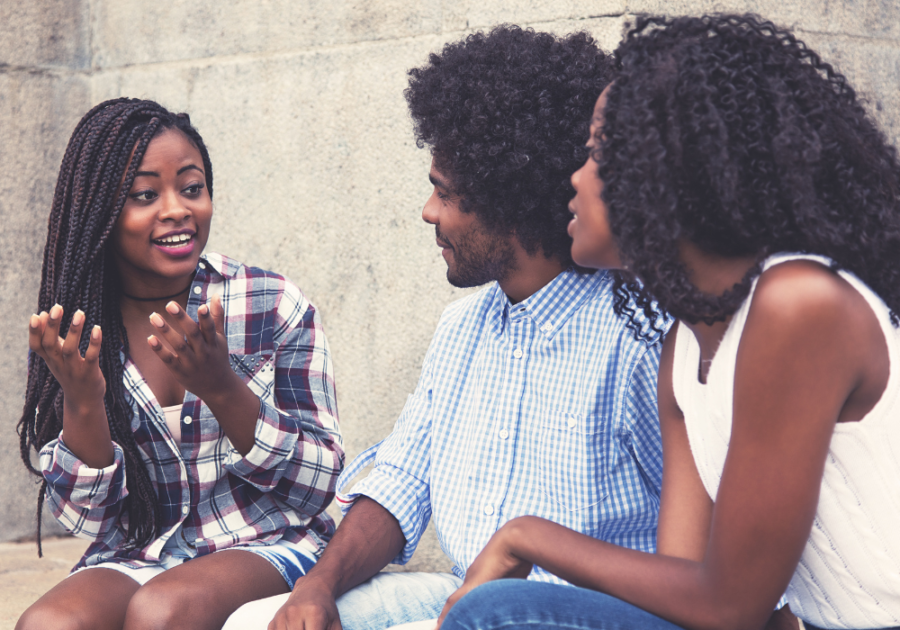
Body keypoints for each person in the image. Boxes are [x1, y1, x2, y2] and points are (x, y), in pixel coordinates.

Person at [437, 14, 900, 630]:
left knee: (500, 612)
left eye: (596, 153)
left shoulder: (799, 303)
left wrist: (526, 536)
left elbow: (730, 606)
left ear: (671, 169)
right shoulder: (685, 346)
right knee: (497, 610)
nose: (573, 180)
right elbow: (689, 594)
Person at [225, 25, 667, 630]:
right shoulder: (462, 330)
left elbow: (704, 557)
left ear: (512, 201)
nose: (428, 212)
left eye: (446, 194)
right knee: (258, 622)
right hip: (466, 596)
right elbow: (402, 480)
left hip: (582, 615)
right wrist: (316, 587)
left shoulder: (636, 334)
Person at [16, 98, 343, 630]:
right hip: (142, 552)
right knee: (48, 625)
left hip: (267, 539)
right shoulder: (82, 326)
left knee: (162, 612)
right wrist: (83, 400)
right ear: (100, 214)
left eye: (192, 188)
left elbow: (316, 484)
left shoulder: (270, 303)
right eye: (145, 195)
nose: (177, 209)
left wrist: (222, 388)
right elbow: (85, 517)